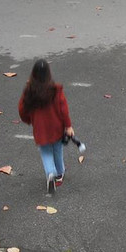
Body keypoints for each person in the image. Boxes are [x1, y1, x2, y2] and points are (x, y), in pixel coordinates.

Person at [17, 59, 75, 194]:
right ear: (49, 74)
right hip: (57, 128)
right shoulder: (56, 90)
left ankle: (50, 173)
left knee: (46, 152)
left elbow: (22, 109)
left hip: (41, 129)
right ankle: (60, 174)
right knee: (57, 151)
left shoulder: (29, 92)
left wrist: (28, 120)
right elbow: (63, 110)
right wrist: (68, 126)